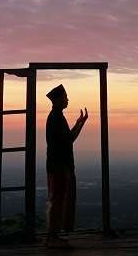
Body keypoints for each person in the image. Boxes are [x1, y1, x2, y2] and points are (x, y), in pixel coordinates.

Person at [45, 84, 88, 248]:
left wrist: (79, 123)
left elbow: (68, 138)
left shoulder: (57, 117)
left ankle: (53, 236)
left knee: (58, 200)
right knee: (57, 201)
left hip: (59, 166)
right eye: (65, 97)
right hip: (59, 166)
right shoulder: (56, 118)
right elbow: (68, 140)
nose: (67, 99)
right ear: (57, 100)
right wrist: (80, 124)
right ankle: (52, 238)